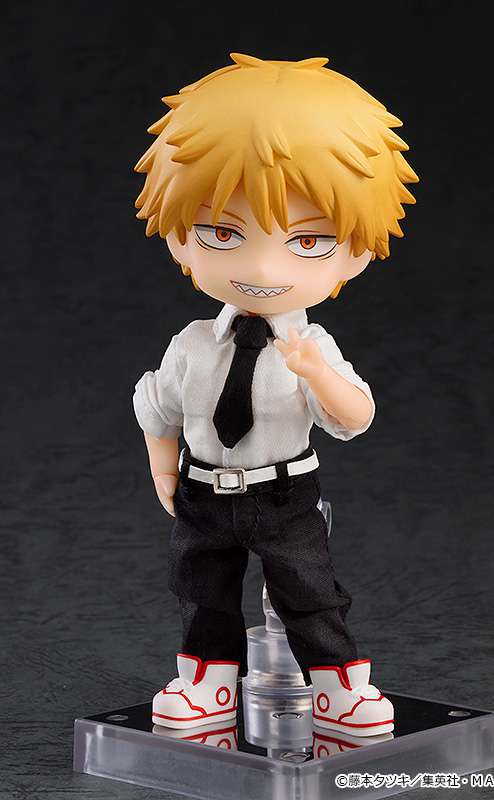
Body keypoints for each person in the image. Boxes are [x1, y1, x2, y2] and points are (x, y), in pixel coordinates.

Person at [132, 53, 418, 735]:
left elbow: (355, 417)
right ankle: (207, 685)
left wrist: (317, 374)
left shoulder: (311, 346)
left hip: (285, 495)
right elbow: (157, 407)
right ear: (178, 236)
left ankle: (339, 691)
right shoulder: (194, 344)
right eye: (222, 233)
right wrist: (164, 469)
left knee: (308, 591)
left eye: (308, 239)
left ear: (358, 249)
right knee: (202, 591)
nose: (263, 267)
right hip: (204, 491)